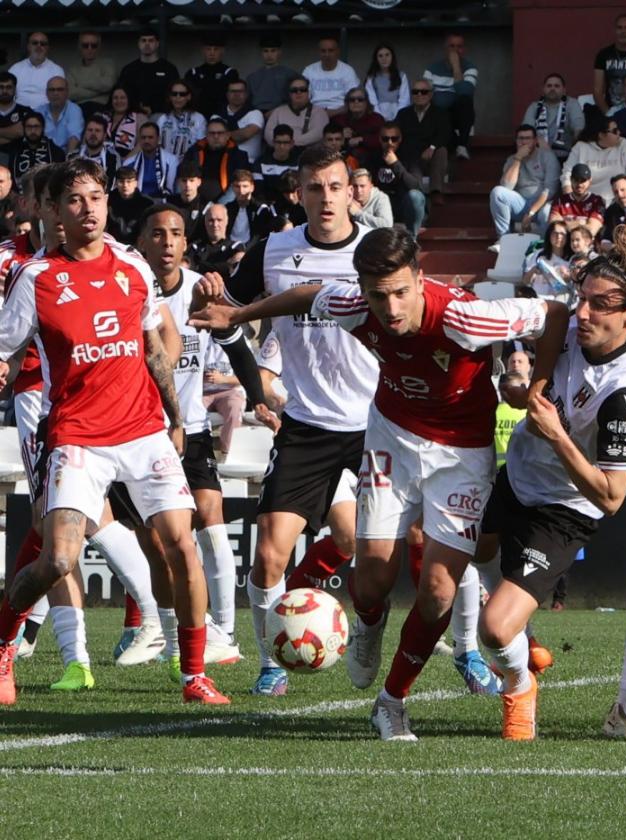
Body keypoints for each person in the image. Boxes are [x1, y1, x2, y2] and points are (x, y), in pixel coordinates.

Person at [189, 225, 569, 742]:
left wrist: (538, 390)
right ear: (362, 290)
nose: (389, 309)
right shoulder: (353, 304)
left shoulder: (468, 316)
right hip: (391, 438)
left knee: (437, 589)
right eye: (377, 295)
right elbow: (307, 295)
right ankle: (367, 627)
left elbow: (554, 313)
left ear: (419, 278)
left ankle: (391, 702)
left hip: (462, 455)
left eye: (400, 292)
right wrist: (237, 314)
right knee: (370, 580)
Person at [0, 157, 228, 706]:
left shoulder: (132, 265)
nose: (89, 210)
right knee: (56, 558)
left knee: (182, 546)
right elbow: (5, 352)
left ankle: (194, 672)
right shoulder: (35, 279)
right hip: (76, 436)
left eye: (97, 198)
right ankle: (5, 645)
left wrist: (175, 419)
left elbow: (154, 348)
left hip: (144, 431)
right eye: (75, 200)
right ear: (53, 210)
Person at [186, 145, 381, 698]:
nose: (325, 198)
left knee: (382, 551)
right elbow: (226, 316)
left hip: (377, 420)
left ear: (353, 191)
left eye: (335, 187)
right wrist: (212, 296)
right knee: (271, 551)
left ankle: (416, 640)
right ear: (298, 192)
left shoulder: (378, 250)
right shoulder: (274, 250)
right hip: (306, 424)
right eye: (314, 188)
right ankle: (273, 659)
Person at [476, 229, 626, 740]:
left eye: (600, 307)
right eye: (583, 299)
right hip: (516, 474)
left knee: (495, 629)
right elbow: (540, 354)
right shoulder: (566, 322)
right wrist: (523, 392)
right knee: (470, 553)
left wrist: (558, 435)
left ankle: (519, 685)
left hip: (564, 508)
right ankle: (522, 638)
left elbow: (610, 498)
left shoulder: (625, 393)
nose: (584, 313)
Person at [139, 203, 275, 662]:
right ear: (141, 242)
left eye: (176, 233)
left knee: (210, 515)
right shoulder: (128, 290)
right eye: (157, 234)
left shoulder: (202, 292)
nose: (167, 243)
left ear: (185, 242)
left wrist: (256, 397)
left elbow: (234, 344)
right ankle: (158, 629)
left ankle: (225, 631)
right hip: (137, 433)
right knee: (155, 541)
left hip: (191, 429)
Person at [489, 123, 560, 242]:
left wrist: (531, 212)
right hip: (521, 203)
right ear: (516, 141)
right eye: (521, 138)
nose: (524, 142)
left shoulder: (547, 156)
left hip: (542, 203)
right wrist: (518, 159)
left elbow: (550, 190)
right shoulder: (512, 159)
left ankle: (543, 247)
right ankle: (503, 239)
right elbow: (506, 186)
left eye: (528, 138)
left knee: (547, 212)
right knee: (497, 192)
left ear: (535, 140)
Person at [561, 116, 626, 205]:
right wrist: (571, 203)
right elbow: (567, 175)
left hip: (617, 203)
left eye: (618, 129)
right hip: (586, 203)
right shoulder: (580, 147)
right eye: (614, 131)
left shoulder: (624, 145)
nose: (619, 132)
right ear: (601, 135)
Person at [424, 33, 478, 160]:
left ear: (463, 50)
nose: (455, 50)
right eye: (451, 46)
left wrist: (456, 67)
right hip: (440, 115)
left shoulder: (470, 68)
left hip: (457, 115)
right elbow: (427, 97)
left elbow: (465, 92)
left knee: (465, 101)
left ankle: (462, 146)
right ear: (445, 49)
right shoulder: (431, 69)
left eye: (459, 46)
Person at [396, 81, 450, 205]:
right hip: (411, 157)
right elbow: (397, 134)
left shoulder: (440, 113)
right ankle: (419, 204)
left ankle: (436, 192)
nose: (419, 95)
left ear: (431, 95)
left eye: (424, 92)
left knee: (441, 151)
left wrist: (432, 147)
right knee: (414, 177)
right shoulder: (403, 114)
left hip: (431, 157)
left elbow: (445, 134)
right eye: (415, 92)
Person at [368, 121, 425, 234]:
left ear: (400, 139)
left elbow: (415, 186)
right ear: (379, 139)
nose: (390, 143)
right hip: (381, 206)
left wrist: (395, 164)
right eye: (385, 139)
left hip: (403, 205)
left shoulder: (409, 156)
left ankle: (411, 238)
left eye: (394, 139)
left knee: (415, 196)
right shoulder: (373, 157)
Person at [184, 117, 253, 203]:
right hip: (195, 202)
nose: (216, 136)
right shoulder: (193, 152)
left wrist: (220, 205)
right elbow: (183, 178)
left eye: (220, 133)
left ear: (227, 135)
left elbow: (239, 184)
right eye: (212, 133)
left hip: (226, 205)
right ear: (206, 135)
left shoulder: (239, 156)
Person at [522, 73, 585, 163]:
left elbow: (579, 127)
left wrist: (577, 140)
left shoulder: (572, 104)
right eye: (549, 86)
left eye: (556, 86)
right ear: (543, 90)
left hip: (565, 156)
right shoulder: (534, 107)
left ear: (564, 90)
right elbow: (526, 130)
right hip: (538, 155)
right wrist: (539, 140)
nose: (552, 88)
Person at [116, 29, 180, 116]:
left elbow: (175, 95)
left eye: (151, 40)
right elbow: (121, 94)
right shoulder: (129, 70)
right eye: (143, 40)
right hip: (133, 114)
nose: (147, 44)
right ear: (138, 43)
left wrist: (154, 108)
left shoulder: (169, 69)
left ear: (157, 44)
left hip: (162, 114)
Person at [264, 78, 329, 152]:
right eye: (294, 90)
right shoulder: (278, 111)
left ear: (309, 92)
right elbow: (268, 135)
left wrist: (288, 143)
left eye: (303, 89)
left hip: (309, 155)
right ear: (289, 94)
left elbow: (318, 134)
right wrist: (285, 144)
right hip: (280, 154)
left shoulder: (320, 112)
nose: (299, 92)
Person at [185, 35, 239, 120]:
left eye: (216, 49)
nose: (212, 53)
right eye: (208, 49)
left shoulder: (229, 72)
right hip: (197, 117)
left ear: (222, 51)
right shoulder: (193, 72)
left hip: (222, 116)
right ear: (203, 51)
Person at [304, 36, 359, 115]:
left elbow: (353, 99)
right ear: (319, 52)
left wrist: (333, 113)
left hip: (341, 113)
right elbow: (304, 98)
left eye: (331, 50)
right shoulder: (309, 71)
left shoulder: (348, 71)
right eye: (323, 51)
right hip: (314, 113)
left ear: (338, 51)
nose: (327, 54)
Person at [64, 32, 115, 117]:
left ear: (99, 47)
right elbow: (70, 93)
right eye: (85, 45)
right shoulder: (73, 70)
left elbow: (108, 84)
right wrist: (101, 91)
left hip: (102, 108)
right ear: (79, 47)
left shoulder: (108, 64)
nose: (89, 49)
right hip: (79, 110)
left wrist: (81, 84)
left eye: (94, 45)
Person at [10, 32, 65, 110]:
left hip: (46, 115)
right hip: (19, 115)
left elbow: (59, 98)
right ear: (28, 46)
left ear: (47, 48)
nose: (39, 46)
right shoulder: (15, 69)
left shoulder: (57, 70)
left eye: (43, 44)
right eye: (35, 43)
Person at [124, 121, 177, 200]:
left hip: (162, 204)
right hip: (136, 203)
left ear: (158, 139)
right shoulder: (128, 163)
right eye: (143, 137)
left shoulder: (171, 161)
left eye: (150, 137)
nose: (146, 141)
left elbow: (170, 189)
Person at [522, 219, 572, 301]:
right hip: (537, 299)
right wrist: (534, 270)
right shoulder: (538, 255)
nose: (558, 237)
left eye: (563, 234)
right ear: (549, 235)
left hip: (559, 301)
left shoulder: (571, 259)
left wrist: (567, 278)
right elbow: (525, 281)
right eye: (555, 233)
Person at [246, 34, 297, 115]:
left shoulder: (290, 74)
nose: (269, 55)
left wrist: (277, 110)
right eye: (265, 51)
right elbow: (247, 102)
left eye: (273, 50)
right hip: (256, 114)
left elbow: (295, 98)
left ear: (279, 52)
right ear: (261, 53)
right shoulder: (252, 77)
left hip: (281, 112)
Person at [224, 168, 276, 247]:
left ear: (252, 187)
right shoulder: (227, 208)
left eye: (245, 186)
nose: (241, 191)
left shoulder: (261, 209)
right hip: (229, 248)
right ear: (232, 187)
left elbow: (260, 235)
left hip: (251, 250)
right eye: (237, 186)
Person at [188, 202, 244, 275]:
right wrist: (225, 265)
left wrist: (199, 264)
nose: (215, 224)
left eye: (219, 220)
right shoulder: (195, 247)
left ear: (226, 221)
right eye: (211, 220)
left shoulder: (236, 247)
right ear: (205, 222)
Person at [549, 163, 605, 234]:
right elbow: (554, 227)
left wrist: (565, 224)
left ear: (590, 181)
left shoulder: (597, 201)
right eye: (576, 180)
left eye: (583, 180)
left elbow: (592, 230)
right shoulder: (559, 201)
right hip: (565, 243)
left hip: (587, 244)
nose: (579, 184)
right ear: (570, 180)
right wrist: (581, 223)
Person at [157, 81, 208, 160]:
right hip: (165, 165)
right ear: (170, 97)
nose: (178, 97)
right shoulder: (162, 119)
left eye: (182, 94)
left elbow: (201, 146)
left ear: (189, 97)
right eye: (174, 94)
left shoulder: (199, 118)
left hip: (188, 166)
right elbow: (157, 145)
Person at [331, 88, 385, 160]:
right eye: (352, 100)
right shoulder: (338, 120)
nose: (356, 102)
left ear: (366, 103)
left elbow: (383, 139)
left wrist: (362, 139)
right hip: (344, 157)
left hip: (371, 159)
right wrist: (341, 135)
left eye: (360, 99)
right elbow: (328, 139)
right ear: (347, 103)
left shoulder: (376, 119)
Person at [106, 166, 154, 245]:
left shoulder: (147, 203)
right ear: (116, 183)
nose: (125, 185)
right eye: (121, 181)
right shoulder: (108, 200)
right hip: (113, 244)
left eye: (129, 181)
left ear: (136, 183)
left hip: (138, 245)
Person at [11, 112, 66, 181]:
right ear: (24, 128)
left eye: (36, 126)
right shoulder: (15, 152)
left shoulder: (56, 152)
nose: (33, 131)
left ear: (43, 128)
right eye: (29, 127)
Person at [221, 79, 265, 164]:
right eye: (233, 91)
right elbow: (212, 139)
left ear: (246, 94)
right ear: (227, 94)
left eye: (240, 91)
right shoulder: (218, 115)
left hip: (250, 163)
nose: (237, 94)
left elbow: (244, 135)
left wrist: (222, 135)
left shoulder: (255, 113)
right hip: (223, 162)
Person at [364, 43, 410, 122]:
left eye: (387, 55)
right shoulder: (371, 78)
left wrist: (397, 117)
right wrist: (380, 117)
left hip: (399, 116)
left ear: (392, 57)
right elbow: (372, 101)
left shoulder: (401, 76)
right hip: (378, 117)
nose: (384, 58)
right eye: (380, 56)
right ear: (376, 59)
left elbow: (404, 100)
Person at [254, 124, 301, 201]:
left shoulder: (299, 163)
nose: (282, 146)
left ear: (292, 143)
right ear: (273, 142)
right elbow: (258, 191)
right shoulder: (260, 163)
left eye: (286, 143)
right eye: (278, 142)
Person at [36, 78, 83, 154]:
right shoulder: (38, 111)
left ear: (67, 92)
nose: (55, 93)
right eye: (52, 90)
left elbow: (74, 138)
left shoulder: (74, 110)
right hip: (43, 155)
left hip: (65, 154)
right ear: (46, 93)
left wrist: (67, 161)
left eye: (60, 90)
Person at [70, 114, 122, 183]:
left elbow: (112, 186)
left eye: (97, 131)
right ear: (85, 133)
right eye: (90, 130)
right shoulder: (72, 157)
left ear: (104, 135)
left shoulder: (113, 158)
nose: (93, 134)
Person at [0, 73, 34, 166]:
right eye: (1, 87)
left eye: (8, 87)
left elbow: (21, 132)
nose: (4, 91)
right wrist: (13, 135)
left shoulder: (25, 111)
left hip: (20, 160)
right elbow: (17, 133)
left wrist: (18, 132)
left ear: (15, 89)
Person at [169, 161, 208, 241]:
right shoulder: (169, 203)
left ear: (199, 182)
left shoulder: (206, 207)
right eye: (184, 180)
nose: (187, 185)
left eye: (191, 180)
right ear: (178, 182)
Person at [101, 87, 144, 158]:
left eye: (123, 98)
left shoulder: (139, 118)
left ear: (129, 100)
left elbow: (143, 143)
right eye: (115, 98)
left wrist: (125, 161)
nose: (119, 101)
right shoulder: (103, 117)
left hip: (127, 163)